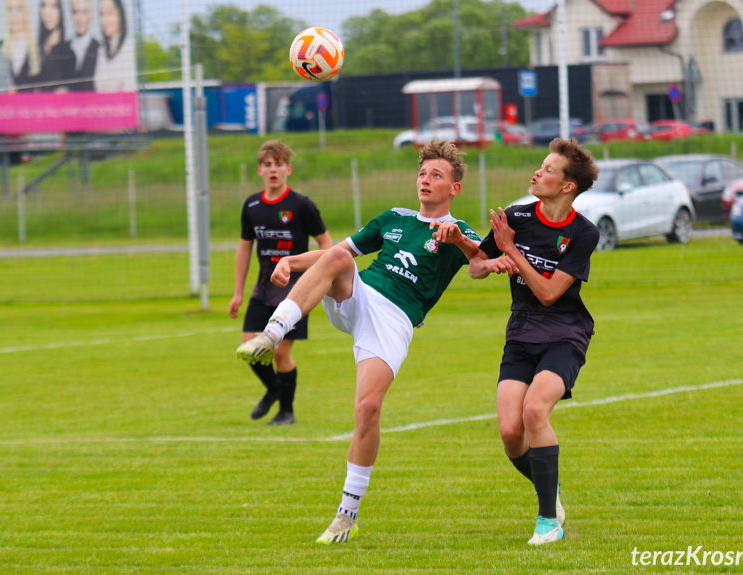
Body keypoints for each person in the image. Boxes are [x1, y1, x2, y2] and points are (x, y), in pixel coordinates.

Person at [236, 139, 484, 544]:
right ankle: (273, 331)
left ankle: (346, 515)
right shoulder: (393, 218)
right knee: (339, 257)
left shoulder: (459, 231)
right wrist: (288, 261)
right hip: (359, 295)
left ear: (454, 187)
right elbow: (337, 251)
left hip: (394, 322)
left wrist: (459, 240)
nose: (425, 180)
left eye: (436, 175)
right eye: (422, 173)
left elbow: (482, 264)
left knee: (368, 409)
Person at [469, 137, 600, 545]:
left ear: (567, 186)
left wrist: (511, 250)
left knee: (535, 411)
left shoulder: (584, 233)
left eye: (547, 170)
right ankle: (551, 490)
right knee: (510, 432)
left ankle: (547, 521)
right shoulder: (516, 215)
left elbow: (548, 293)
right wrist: (490, 260)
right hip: (522, 331)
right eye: (539, 166)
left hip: (565, 332)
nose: (537, 172)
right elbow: (474, 265)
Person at [228, 140, 333, 425]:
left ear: (288, 169)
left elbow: (327, 246)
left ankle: (287, 412)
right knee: (248, 347)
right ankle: (275, 390)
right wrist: (238, 291)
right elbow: (244, 247)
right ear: (259, 170)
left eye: (278, 164)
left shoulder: (301, 205)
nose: (272, 169)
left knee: (280, 352)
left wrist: (313, 276)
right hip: (263, 289)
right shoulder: (251, 205)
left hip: (295, 290)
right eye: (267, 165)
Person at [93, 0, 136, 92]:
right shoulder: (101, 50)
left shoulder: (129, 47)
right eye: (102, 14)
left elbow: (127, 87)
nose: (104, 20)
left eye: (110, 13)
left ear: (120, 14)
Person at [1, 0, 41, 89]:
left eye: (19, 9)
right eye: (10, 10)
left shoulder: (37, 49)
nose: (14, 15)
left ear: (26, 14)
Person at [37, 0, 75, 91]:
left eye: (54, 6)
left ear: (61, 11)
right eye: (44, 6)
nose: (47, 12)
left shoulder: (67, 52)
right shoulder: (36, 49)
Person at [68, 0, 99, 91]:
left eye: (84, 12)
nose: (80, 18)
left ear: (91, 14)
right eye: (75, 12)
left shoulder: (99, 48)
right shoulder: (62, 48)